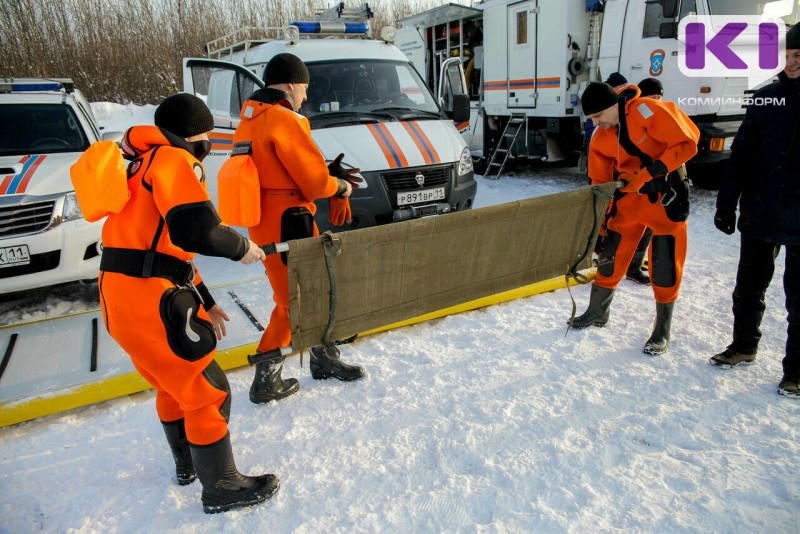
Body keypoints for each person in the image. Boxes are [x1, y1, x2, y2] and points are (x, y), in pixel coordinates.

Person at [97, 93, 277, 513]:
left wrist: (207, 301)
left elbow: (167, 250)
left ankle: (187, 466)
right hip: (148, 301)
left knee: (171, 385)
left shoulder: (140, 165)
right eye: (207, 136)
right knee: (207, 390)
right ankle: (222, 487)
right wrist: (241, 247)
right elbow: (197, 231)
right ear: (197, 135)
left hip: (118, 298)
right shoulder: (175, 161)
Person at [230, 53, 366, 405]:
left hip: (264, 220)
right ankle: (266, 378)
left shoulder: (249, 119)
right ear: (290, 84)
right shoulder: (284, 119)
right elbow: (313, 181)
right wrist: (341, 187)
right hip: (289, 220)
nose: (305, 95)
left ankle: (323, 359)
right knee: (295, 298)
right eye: (304, 87)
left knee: (309, 290)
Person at [570, 82, 699, 355]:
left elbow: (686, 144)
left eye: (597, 117)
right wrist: (598, 226)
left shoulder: (646, 111)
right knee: (610, 253)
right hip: (628, 203)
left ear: (611, 106)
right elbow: (600, 183)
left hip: (664, 199)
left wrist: (644, 177)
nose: (595, 123)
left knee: (665, 262)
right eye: (591, 119)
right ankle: (597, 311)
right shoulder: (600, 138)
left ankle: (662, 329)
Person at [710, 24, 800, 398]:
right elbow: (740, 159)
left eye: (799, 56)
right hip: (761, 211)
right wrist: (726, 203)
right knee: (748, 287)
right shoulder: (766, 99)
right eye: (789, 55)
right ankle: (744, 346)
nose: (791, 62)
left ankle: (795, 372)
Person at [623, 77, 666, 286]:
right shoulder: (632, 119)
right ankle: (619, 263)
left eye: (659, 97)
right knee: (630, 227)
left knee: (648, 228)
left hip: (654, 184)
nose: (656, 102)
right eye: (652, 97)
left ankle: (634, 266)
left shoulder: (663, 120)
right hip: (635, 183)